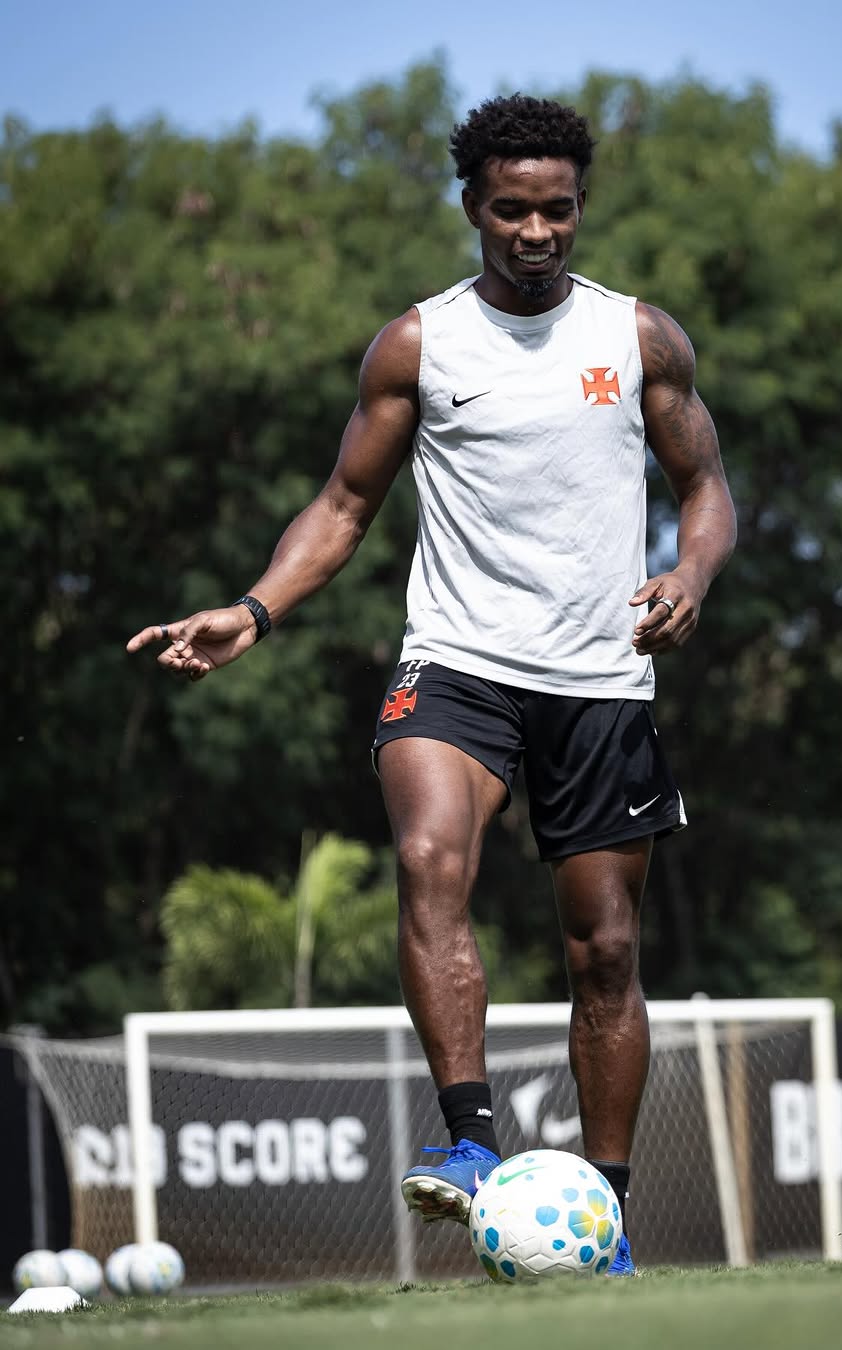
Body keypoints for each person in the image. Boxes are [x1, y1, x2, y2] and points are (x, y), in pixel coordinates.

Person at [127, 94, 736, 1277]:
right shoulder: (418, 345)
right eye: (511, 210)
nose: (536, 231)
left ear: (580, 208)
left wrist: (692, 573)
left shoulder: (640, 339)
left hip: (601, 677)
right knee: (425, 857)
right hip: (457, 660)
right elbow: (344, 505)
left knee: (606, 951)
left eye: (557, 209)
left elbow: (705, 484)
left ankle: (603, 1217)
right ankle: (470, 1142)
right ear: (471, 208)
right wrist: (255, 608)